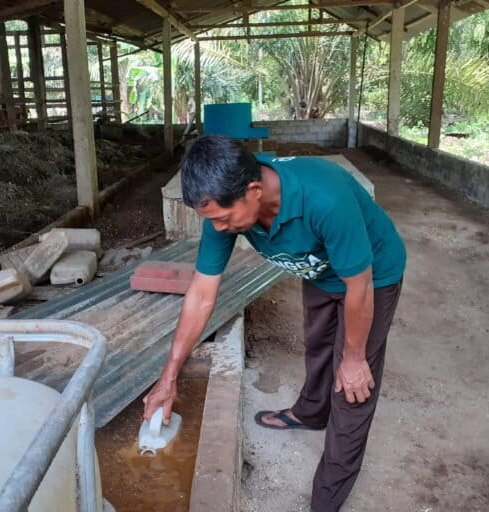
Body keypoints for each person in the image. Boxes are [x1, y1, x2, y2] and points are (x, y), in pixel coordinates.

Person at [142, 135, 406, 511]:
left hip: (371, 276)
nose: (218, 228)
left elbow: (359, 286)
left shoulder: (324, 198)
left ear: (253, 191)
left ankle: (327, 498)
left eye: (223, 219)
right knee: (319, 345)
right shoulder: (223, 209)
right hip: (321, 273)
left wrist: (353, 358)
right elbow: (201, 294)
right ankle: (310, 413)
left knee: (351, 386)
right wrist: (168, 377)